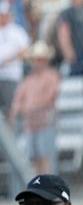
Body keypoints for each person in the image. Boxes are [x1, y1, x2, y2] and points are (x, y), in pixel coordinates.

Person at [9, 43, 60, 176]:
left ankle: (46, 185)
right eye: (36, 59)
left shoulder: (52, 76)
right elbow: (17, 102)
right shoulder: (28, 80)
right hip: (30, 125)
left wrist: (28, 107)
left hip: (46, 123)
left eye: (41, 59)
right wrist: (22, 109)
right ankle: (38, 185)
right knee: (33, 159)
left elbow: (49, 98)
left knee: (45, 158)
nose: (38, 62)